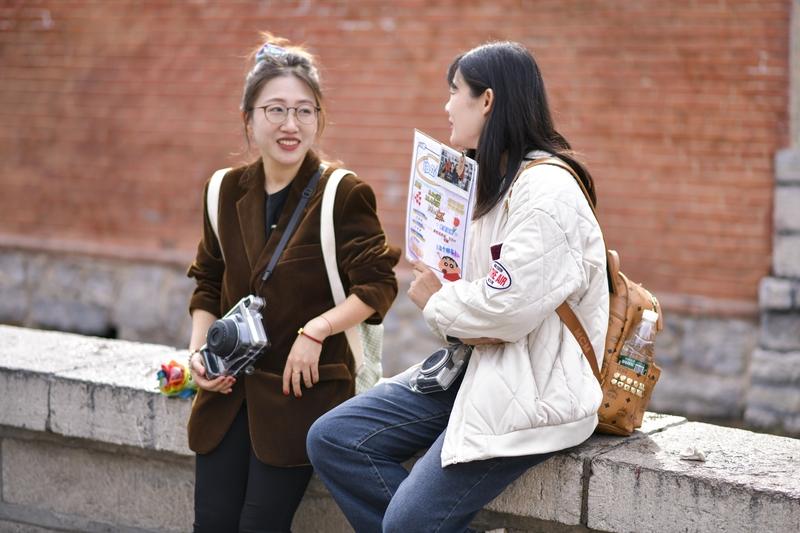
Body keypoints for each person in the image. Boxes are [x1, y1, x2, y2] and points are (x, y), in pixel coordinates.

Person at [307, 41, 609, 532]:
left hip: (532, 390)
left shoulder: (547, 191)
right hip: (477, 372)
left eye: (454, 92)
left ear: (486, 100)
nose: (446, 106)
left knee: (406, 524)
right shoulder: (496, 182)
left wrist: (439, 298)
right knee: (334, 438)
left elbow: (506, 310)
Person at [185, 33, 399, 533]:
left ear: (319, 119)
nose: (290, 124)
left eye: (305, 111)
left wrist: (316, 330)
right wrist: (197, 356)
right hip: (226, 394)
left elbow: (377, 286)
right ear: (248, 118)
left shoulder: (343, 193)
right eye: (275, 109)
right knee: (211, 525)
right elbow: (207, 280)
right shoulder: (223, 189)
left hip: (303, 397)